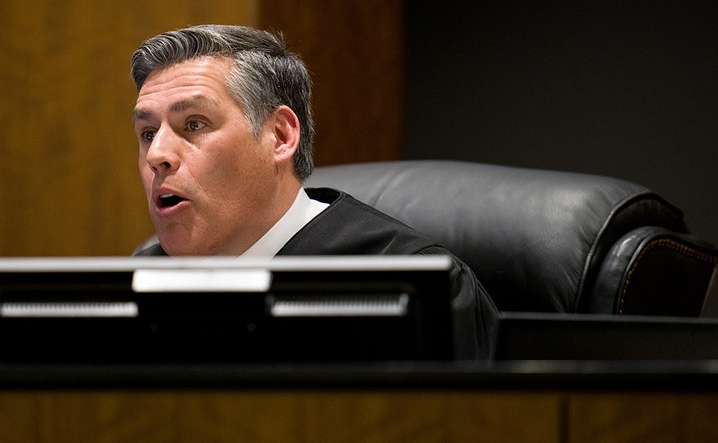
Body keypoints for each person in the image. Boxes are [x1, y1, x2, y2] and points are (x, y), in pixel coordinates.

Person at [130, 25, 497, 358]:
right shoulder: (139, 282)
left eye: (194, 124)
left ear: (280, 136)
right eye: (148, 133)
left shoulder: (416, 288)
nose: (158, 155)